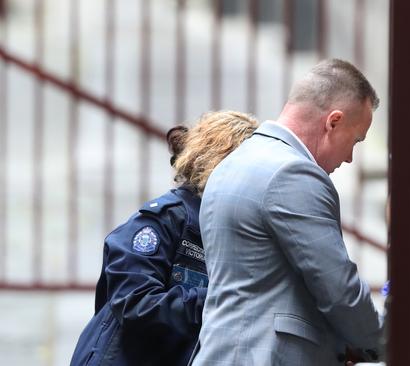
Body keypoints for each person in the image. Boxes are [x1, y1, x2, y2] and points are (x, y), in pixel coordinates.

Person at [193, 59, 383, 366]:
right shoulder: (293, 174)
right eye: (354, 141)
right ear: (333, 122)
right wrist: (387, 342)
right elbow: (337, 290)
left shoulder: (233, 163)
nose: (349, 158)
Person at [70, 111, 259, 366]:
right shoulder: (163, 220)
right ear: (220, 162)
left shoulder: (233, 229)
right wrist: (222, 300)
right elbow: (135, 302)